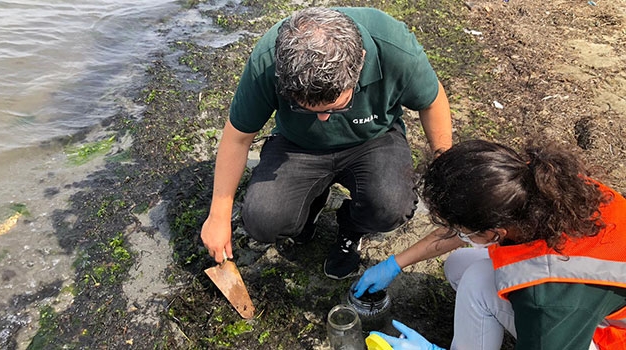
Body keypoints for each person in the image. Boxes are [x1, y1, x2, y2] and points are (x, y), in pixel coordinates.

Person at [200, 7, 452, 279]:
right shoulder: (267, 60)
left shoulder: (394, 46)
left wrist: (444, 169)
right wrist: (218, 215)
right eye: (306, 108)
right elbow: (238, 137)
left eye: (335, 107)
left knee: (391, 207)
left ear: (360, 63)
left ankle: (351, 228)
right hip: (297, 144)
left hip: (373, 138)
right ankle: (312, 204)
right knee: (262, 220)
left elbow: (432, 101)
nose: (322, 118)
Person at [353, 140, 626, 349]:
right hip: (591, 300)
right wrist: (395, 264)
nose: (452, 232)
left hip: (611, 335)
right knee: (461, 266)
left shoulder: (548, 301)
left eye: (460, 228)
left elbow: (552, 309)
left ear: (496, 231)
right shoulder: (545, 189)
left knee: (476, 281)